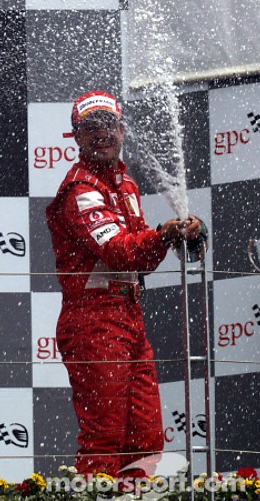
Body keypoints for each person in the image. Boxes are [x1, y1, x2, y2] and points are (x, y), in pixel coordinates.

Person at [45, 90, 205, 477]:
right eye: (90, 127)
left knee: (147, 436)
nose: (101, 133)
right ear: (76, 137)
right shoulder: (80, 191)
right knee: (105, 435)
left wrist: (176, 234)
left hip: (128, 314)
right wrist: (163, 235)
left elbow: (142, 261)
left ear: (122, 129)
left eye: (108, 125)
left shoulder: (126, 185)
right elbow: (119, 252)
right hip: (94, 319)